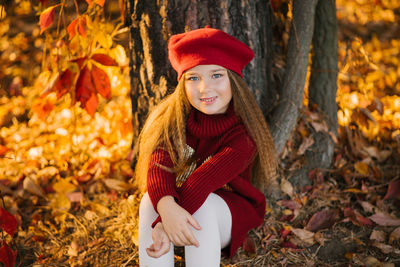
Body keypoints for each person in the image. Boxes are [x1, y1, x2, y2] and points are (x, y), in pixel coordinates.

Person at [136, 26, 278, 267]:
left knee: (202, 207)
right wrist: (165, 209)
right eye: (194, 77)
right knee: (150, 200)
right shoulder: (176, 119)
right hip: (178, 212)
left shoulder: (244, 134)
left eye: (216, 75)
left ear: (233, 79)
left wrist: (162, 224)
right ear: (183, 84)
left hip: (228, 211)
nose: (205, 88)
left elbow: (202, 182)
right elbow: (158, 165)